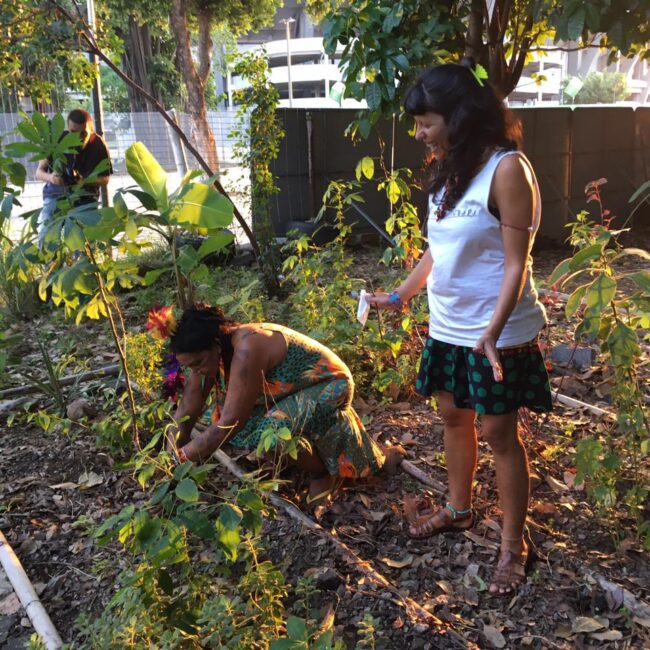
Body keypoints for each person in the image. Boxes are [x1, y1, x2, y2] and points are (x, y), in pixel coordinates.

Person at [368, 59, 552, 596]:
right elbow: (439, 248)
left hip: (497, 332)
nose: (420, 132)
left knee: (498, 432)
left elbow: (517, 263)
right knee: (453, 417)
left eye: (426, 121)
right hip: (449, 325)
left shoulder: (508, 170)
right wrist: (402, 294)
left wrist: (492, 330)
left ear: (461, 114)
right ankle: (459, 508)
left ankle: (513, 544)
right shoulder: (449, 168)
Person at [160, 304, 395, 506]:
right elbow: (187, 411)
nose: (196, 371)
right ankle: (303, 452)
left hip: (330, 384)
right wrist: (169, 454)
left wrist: (181, 459)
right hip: (288, 389)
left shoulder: (246, 348)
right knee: (218, 416)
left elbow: (231, 422)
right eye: (190, 366)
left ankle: (321, 472)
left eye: (198, 363)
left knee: (269, 434)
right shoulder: (206, 355)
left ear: (215, 345)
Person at [35, 108, 112, 249]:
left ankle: (85, 266)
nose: (78, 137)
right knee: (46, 237)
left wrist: (85, 181)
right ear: (67, 128)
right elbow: (39, 173)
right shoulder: (56, 139)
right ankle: (49, 269)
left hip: (85, 198)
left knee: (86, 244)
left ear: (91, 129)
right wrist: (51, 178)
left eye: (83, 133)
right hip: (56, 195)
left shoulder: (98, 144)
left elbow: (105, 179)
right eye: (73, 132)